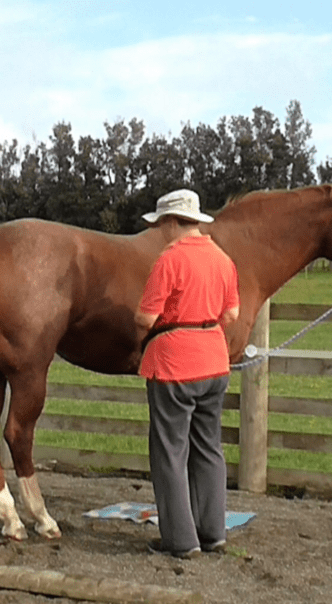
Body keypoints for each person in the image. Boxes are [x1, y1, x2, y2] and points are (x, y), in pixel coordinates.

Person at [133, 189, 240, 559]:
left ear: (173, 222)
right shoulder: (223, 259)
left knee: (169, 453)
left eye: (162, 224)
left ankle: (181, 541)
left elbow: (145, 318)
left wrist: (148, 334)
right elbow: (232, 316)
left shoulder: (169, 260)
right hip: (215, 363)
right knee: (209, 448)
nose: (161, 232)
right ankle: (213, 533)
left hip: (174, 366)